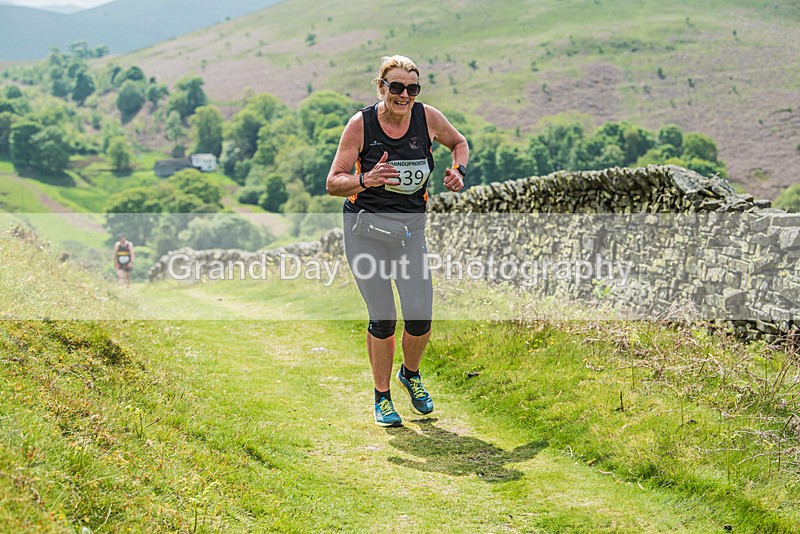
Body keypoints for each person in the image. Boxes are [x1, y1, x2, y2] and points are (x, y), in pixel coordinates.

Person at [326, 55, 469, 427]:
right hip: (366, 230)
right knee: (384, 317)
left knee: (420, 315)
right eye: (396, 87)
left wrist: (458, 170)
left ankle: (411, 375)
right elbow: (333, 183)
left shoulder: (427, 118)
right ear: (381, 87)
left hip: (409, 230)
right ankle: (382, 396)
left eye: (412, 88)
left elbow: (459, 142)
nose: (404, 95)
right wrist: (366, 180)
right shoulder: (361, 125)